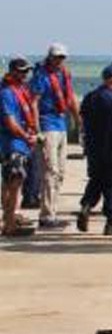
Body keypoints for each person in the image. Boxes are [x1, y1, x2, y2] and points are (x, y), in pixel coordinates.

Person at [28, 43, 79, 229]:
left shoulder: (64, 75)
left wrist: (79, 122)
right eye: (57, 57)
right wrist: (37, 129)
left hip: (61, 124)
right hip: (47, 125)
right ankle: (47, 215)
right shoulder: (41, 76)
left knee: (60, 173)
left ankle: (53, 211)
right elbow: (34, 102)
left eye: (62, 57)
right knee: (50, 172)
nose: (59, 60)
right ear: (49, 57)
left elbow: (71, 98)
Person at [76, 64, 112, 234]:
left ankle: (87, 205)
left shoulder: (90, 97)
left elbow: (82, 118)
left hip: (93, 148)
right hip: (111, 147)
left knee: (96, 179)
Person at [2, 57, 37, 237]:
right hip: (12, 143)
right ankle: (8, 224)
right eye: (22, 71)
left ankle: (9, 220)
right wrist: (26, 136)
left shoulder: (21, 90)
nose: (25, 74)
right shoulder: (7, 92)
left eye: (27, 71)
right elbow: (9, 121)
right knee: (12, 183)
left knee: (13, 183)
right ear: (13, 71)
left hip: (21, 143)